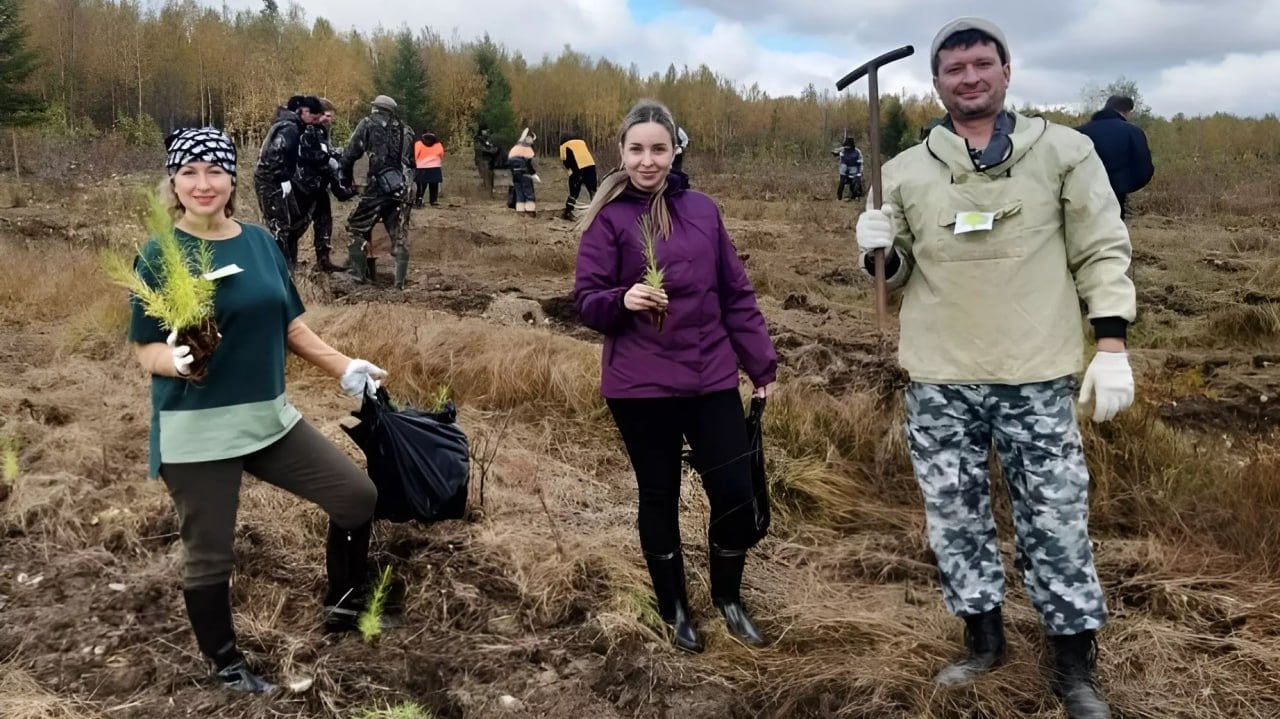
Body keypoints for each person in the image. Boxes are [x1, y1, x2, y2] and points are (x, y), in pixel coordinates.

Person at [855, 17, 1135, 719]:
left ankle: (1075, 663)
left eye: (982, 64)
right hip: (942, 377)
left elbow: (1101, 247)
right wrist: (877, 250)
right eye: (955, 69)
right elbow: (901, 269)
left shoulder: (1064, 154)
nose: (970, 78)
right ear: (938, 83)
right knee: (955, 519)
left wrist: (1110, 342)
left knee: (1056, 518)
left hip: (1034, 373)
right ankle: (983, 640)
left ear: (1006, 72)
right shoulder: (907, 171)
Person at [129, 127, 389, 693]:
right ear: (173, 180)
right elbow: (142, 346)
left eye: (215, 171)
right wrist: (173, 360)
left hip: (267, 419)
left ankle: (344, 605)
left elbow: (289, 323)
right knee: (210, 554)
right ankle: (226, 665)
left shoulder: (259, 242)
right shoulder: (159, 253)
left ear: (231, 178)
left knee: (355, 496)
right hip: (196, 430)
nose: (203, 183)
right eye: (190, 172)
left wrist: (343, 365)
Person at [573, 100, 777, 654]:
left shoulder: (704, 210)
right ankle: (675, 608)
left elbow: (735, 292)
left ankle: (729, 600)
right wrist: (624, 298)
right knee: (658, 496)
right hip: (640, 388)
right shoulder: (607, 217)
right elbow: (587, 303)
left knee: (735, 496)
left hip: (710, 377)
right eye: (636, 149)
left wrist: (760, 364)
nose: (647, 161)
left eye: (658, 149)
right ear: (622, 152)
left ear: (675, 151)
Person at [341, 95, 415, 288]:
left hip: (376, 188)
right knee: (398, 234)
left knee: (356, 226)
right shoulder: (406, 130)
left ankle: (358, 275)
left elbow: (350, 154)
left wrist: (346, 180)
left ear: (375, 108)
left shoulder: (367, 124)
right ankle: (399, 283)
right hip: (400, 188)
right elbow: (410, 164)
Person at [254, 95, 325, 269]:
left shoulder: (290, 125)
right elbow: (274, 155)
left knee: (290, 225)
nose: (312, 123)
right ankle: (281, 271)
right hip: (270, 182)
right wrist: (282, 178)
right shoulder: (289, 128)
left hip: (276, 180)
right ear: (305, 111)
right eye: (313, 118)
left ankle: (288, 267)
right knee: (280, 227)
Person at [1077, 95, 1155, 220]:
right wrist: (1124, 186)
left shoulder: (1078, 132)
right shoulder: (1133, 132)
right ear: (1127, 111)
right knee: (1113, 235)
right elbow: (1144, 168)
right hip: (1116, 197)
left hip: (1081, 198)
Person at [294, 97, 346, 272]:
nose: (330, 120)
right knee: (299, 224)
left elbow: (324, 151)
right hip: (306, 185)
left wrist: (335, 155)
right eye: (328, 116)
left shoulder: (321, 131)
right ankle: (287, 258)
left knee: (324, 221)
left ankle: (323, 260)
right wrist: (327, 158)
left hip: (320, 184)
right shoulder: (307, 130)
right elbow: (306, 155)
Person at [558, 132, 598, 221]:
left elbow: (564, 159)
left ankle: (568, 212)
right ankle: (597, 212)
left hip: (578, 167)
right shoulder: (581, 142)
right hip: (590, 165)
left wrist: (569, 169)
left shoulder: (563, 145)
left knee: (574, 191)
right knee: (593, 190)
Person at [507, 128, 540, 217]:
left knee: (519, 190)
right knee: (528, 190)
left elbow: (509, 162)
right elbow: (528, 163)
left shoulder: (515, 148)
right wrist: (533, 174)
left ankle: (520, 210)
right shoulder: (527, 149)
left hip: (515, 172)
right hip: (524, 171)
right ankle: (530, 210)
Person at [413, 131, 445, 208]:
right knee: (434, 185)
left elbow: (415, 154)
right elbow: (441, 154)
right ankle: (433, 201)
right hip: (435, 166)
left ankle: (419, 200)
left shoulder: (419, 144)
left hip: (421, 167)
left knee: (421, 186)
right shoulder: (438, 144)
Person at [832, 137, 864, 201]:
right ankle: (839, 197)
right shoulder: (843, 150)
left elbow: (861, 162)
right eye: (846, 146)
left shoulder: (857, 152)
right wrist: (836, 153)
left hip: (855, 170)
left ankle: (857, 196)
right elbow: (834, 151)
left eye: (848, 146)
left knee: (857, 183)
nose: (847, 148)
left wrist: (860, 172)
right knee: (842, 183)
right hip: (844, 170)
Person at [473, 126, 499, 195]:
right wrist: (491, 150)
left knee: (491, 175)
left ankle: (490, 191)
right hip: (482, 160)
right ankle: (487, 192)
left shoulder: (488, 139)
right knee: (486, 176)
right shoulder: (478, 140)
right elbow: (480, 149)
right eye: (485, 130)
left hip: (489, 160)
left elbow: (494, 147)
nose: (486, 132)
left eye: (487, 130)